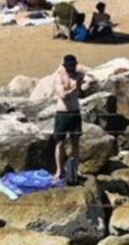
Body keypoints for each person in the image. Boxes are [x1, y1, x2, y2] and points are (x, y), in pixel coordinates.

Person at [53, 54, 89, 183]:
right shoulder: (59, 78)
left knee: (75, 142)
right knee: (59, 143)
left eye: (73, 66)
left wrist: (81, 85)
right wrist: (75, 86)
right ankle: (59, 170)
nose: (71, 69)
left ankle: (75, 168)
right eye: (68, 67)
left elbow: (82, 91)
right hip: (62, 114)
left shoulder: (79, 75)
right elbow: (63, 95)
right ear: (64, 66)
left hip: (75, 112)